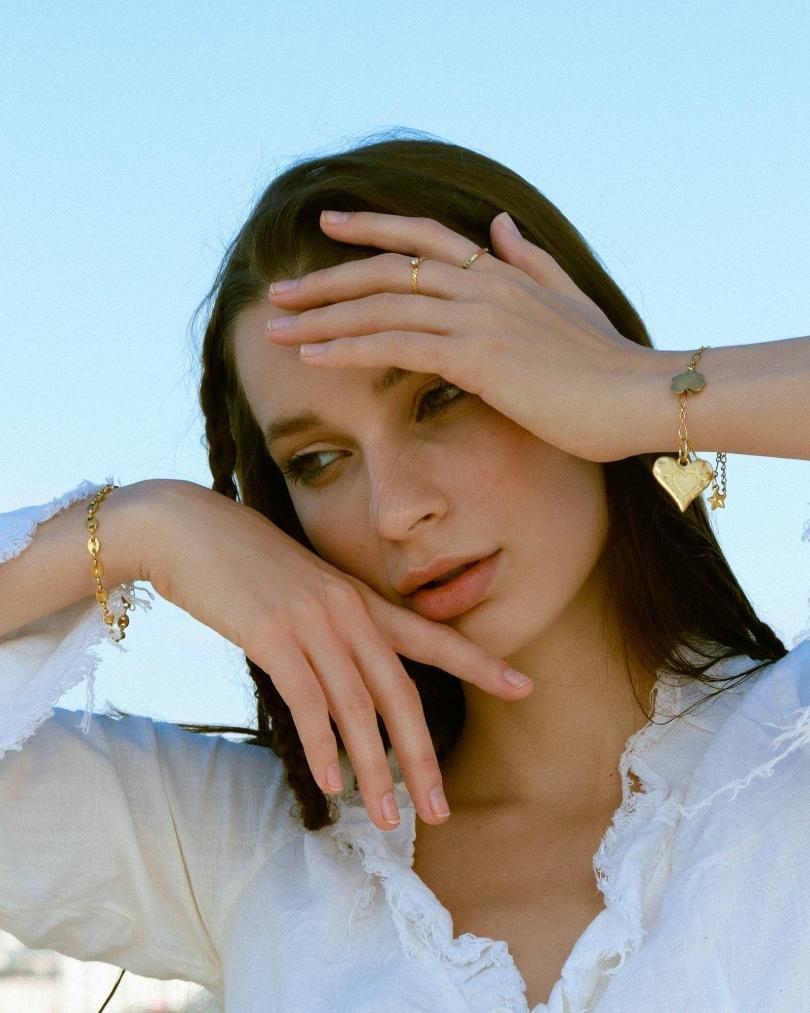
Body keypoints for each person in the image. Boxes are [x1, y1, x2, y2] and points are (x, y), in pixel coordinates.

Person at [0, 134, 808, 1013]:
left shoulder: (785, 757)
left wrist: (643, 388)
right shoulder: (256, 850)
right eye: (317, 461)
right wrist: (141, 527)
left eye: (439, 394)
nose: (394, 510)